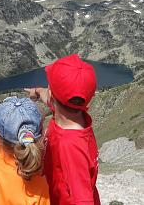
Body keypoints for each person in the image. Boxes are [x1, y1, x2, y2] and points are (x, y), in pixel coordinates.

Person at [25, 54, 101, 205]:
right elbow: (52, 98)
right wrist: (38, 91)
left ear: (52, 94)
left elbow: (83, 200)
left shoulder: (71, 146)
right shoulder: (71, 113)